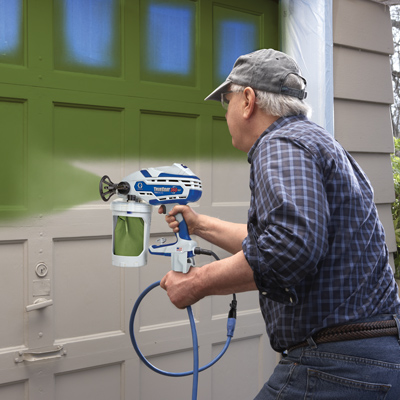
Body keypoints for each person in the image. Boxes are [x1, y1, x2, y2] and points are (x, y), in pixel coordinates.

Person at [159, 48, 400, 399]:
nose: (225, 112)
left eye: (226, 100)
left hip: (336, 366)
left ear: (248, 100)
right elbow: (282, 240)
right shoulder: (316, 142)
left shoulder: (280, 143)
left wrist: (197, 282)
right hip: (374, 361)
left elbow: (288, 248)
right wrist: (199, 225)